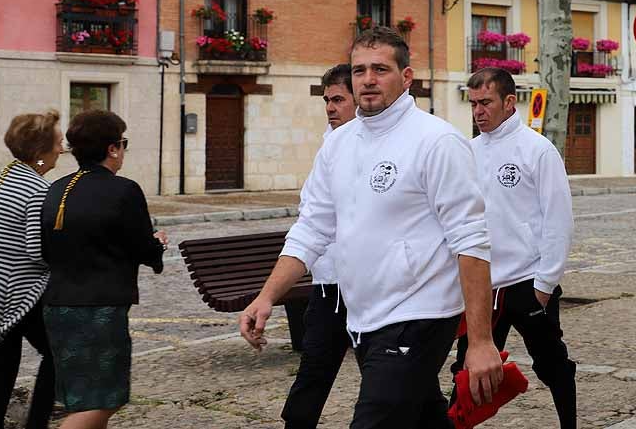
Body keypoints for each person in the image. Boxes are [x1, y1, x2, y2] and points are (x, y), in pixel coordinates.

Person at [241, 27, 503, 429]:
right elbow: (311, 229)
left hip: (421, 314)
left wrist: (481, 341)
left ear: (407, 76)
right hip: (362, 318)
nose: (368, 79)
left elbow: (470, 241)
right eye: (359, 69)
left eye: (380, 69)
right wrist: (266, 297)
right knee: (423, 418)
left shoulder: (437, 141)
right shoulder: (338, 144)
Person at [453, 68, 577, 428]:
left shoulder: (537, 150)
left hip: (527, 282)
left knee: (552, 364)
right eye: (473, 103)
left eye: (486, 102)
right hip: (482, 284)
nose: (478, 111)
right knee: (466, 368)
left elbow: (558, 219)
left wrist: (544, 286)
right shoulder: (467, 152)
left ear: (509, 102)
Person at [40, 110, 168, 429]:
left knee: (84, 399)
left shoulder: (56, 188)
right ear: (112, 148)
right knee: (102, 401)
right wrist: (157, 246)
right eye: (123, 143)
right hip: (99, 310)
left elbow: (47, 247)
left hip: (57, 306)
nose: (123, 151)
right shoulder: (123, 189)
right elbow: (140, 245)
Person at [0, 111, 63, 429]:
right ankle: (36, 424)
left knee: (3, 362)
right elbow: (37, 252)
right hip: (18, 293)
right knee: (58, 354)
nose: (62, 148)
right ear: (41, 151)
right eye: (58, 141)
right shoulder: (37, 190)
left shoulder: (6, 178)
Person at [281, 63, 357, 429]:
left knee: (399, 384)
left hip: (370, 289)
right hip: (328, 287)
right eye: (327, 100)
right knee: (312, 373)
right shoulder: (329, 146)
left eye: (339, 99)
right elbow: (313, 218)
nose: (330, 107)